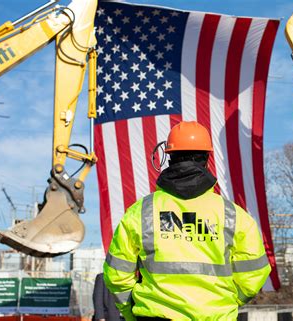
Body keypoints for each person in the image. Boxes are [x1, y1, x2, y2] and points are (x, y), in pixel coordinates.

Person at [103, 121, 271, 320]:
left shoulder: (141, 212)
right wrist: (228, 301)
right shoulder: (234, 216)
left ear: (170, 158)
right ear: (207, 159)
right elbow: (254, 273)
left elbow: (117, 275)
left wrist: (130, 312)